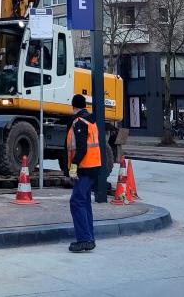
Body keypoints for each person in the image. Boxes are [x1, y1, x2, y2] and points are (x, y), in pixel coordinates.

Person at [66, 93, 101, 253]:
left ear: (73, 106)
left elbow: (81, 148)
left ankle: (84, 240)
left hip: (85, 167)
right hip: (94, 166)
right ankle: (89, 238)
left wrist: (74, 165)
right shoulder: (91, 120)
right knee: (84, 201)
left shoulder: (79, 122)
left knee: (77, 201)